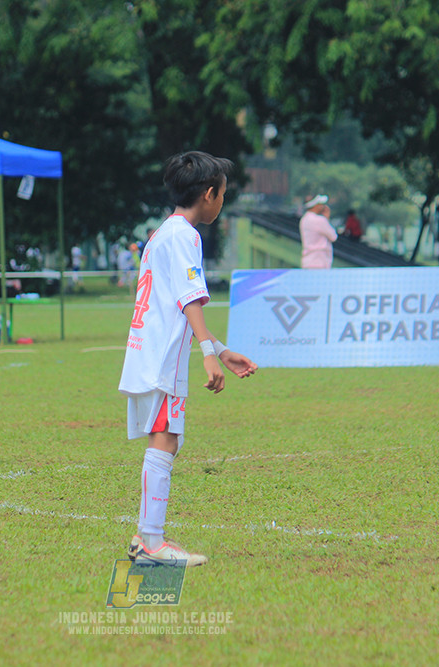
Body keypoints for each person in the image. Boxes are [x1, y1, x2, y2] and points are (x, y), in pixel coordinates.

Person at [119, 151, 258, 567]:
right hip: (163, 358)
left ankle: (149, 536)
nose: (222, 202)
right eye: (223, 194)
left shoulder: (163, 234)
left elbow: (178, 304)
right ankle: (151, 541)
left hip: (152, 352)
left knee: (166, 437)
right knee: (165, 438)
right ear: (210, 194)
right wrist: (206, 354)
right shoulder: (185, 236)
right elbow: (190, 298)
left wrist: (220, 349)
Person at [300, 194, 336, 269]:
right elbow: (333, 236)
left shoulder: (304, 219)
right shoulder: (319, 220)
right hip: (319, 262)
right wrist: (326, 218)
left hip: (308, 261)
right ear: (316, 206)